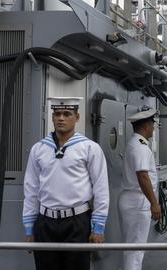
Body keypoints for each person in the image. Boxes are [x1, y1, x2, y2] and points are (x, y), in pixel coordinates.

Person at [22, 97, 109, 270]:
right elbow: (30, 189)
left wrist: (98, 228)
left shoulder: (89, 148)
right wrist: (29, 229)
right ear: (52, 117)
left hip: (77, 223)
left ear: (77, 118)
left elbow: (101, 188)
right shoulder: (38, 149)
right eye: (57, 114)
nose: (61, 118)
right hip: (45, 223)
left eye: (67, 114)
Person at [118, 107, 160, 270]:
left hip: (133, 200)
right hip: (137, 202)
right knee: (135, 250)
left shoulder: (134, 143)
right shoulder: (140, 147)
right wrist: (154, 203)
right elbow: (143, 176)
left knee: (131, 248)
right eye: (153, 124)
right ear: (146, 126)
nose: (154, 127)